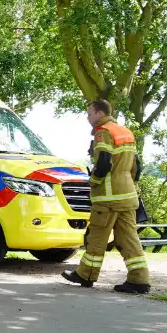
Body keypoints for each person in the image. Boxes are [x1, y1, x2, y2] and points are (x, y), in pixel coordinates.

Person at [62, 100, 150, 294]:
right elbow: (137, 167)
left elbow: (103, 163)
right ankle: (139, 280)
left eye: (89, 114)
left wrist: (93, 181)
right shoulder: (125, 132)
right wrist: (127, 183)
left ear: (99, 113)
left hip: (107, 198)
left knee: (96, 236)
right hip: (127, 197)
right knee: (128, 238)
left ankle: (85, 275)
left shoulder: (103, 133)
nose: (88, 118)